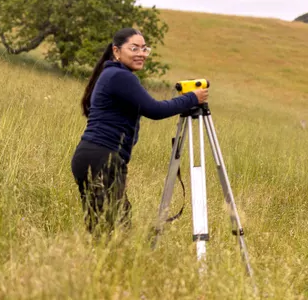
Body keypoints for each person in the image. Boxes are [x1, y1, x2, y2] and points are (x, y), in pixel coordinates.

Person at [71, 27, 208, 235]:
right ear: (116, 51)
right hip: (101, 159)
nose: (141, 53)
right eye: (134, 48)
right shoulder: (120, 76)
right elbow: (155, 110)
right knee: (112, 234)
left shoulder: (113, 74)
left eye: (145, 49)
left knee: (108, 229)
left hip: (96, 157)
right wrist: (192, 98)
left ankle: (103, 266)